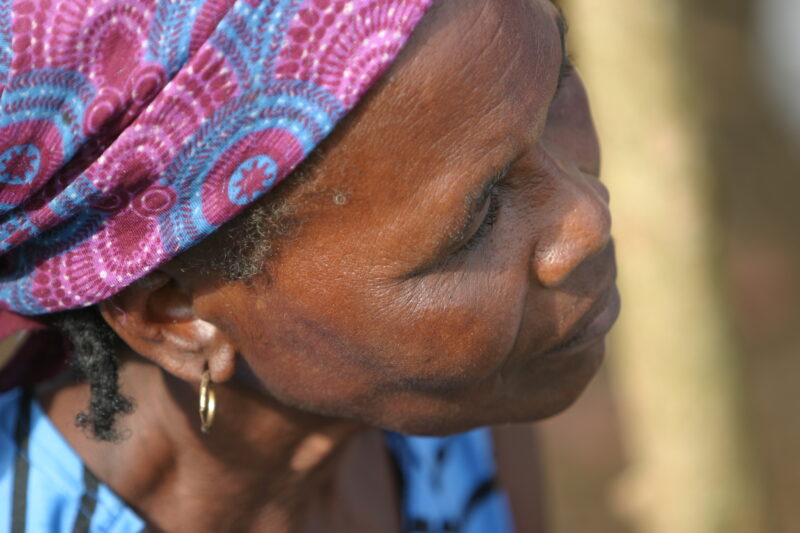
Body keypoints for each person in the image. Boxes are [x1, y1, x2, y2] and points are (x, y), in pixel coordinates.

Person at [0, 0, 619, 531]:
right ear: (176, 315)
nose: (588, 219)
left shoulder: (453, 407)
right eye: (476, 223)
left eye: (558, 78)